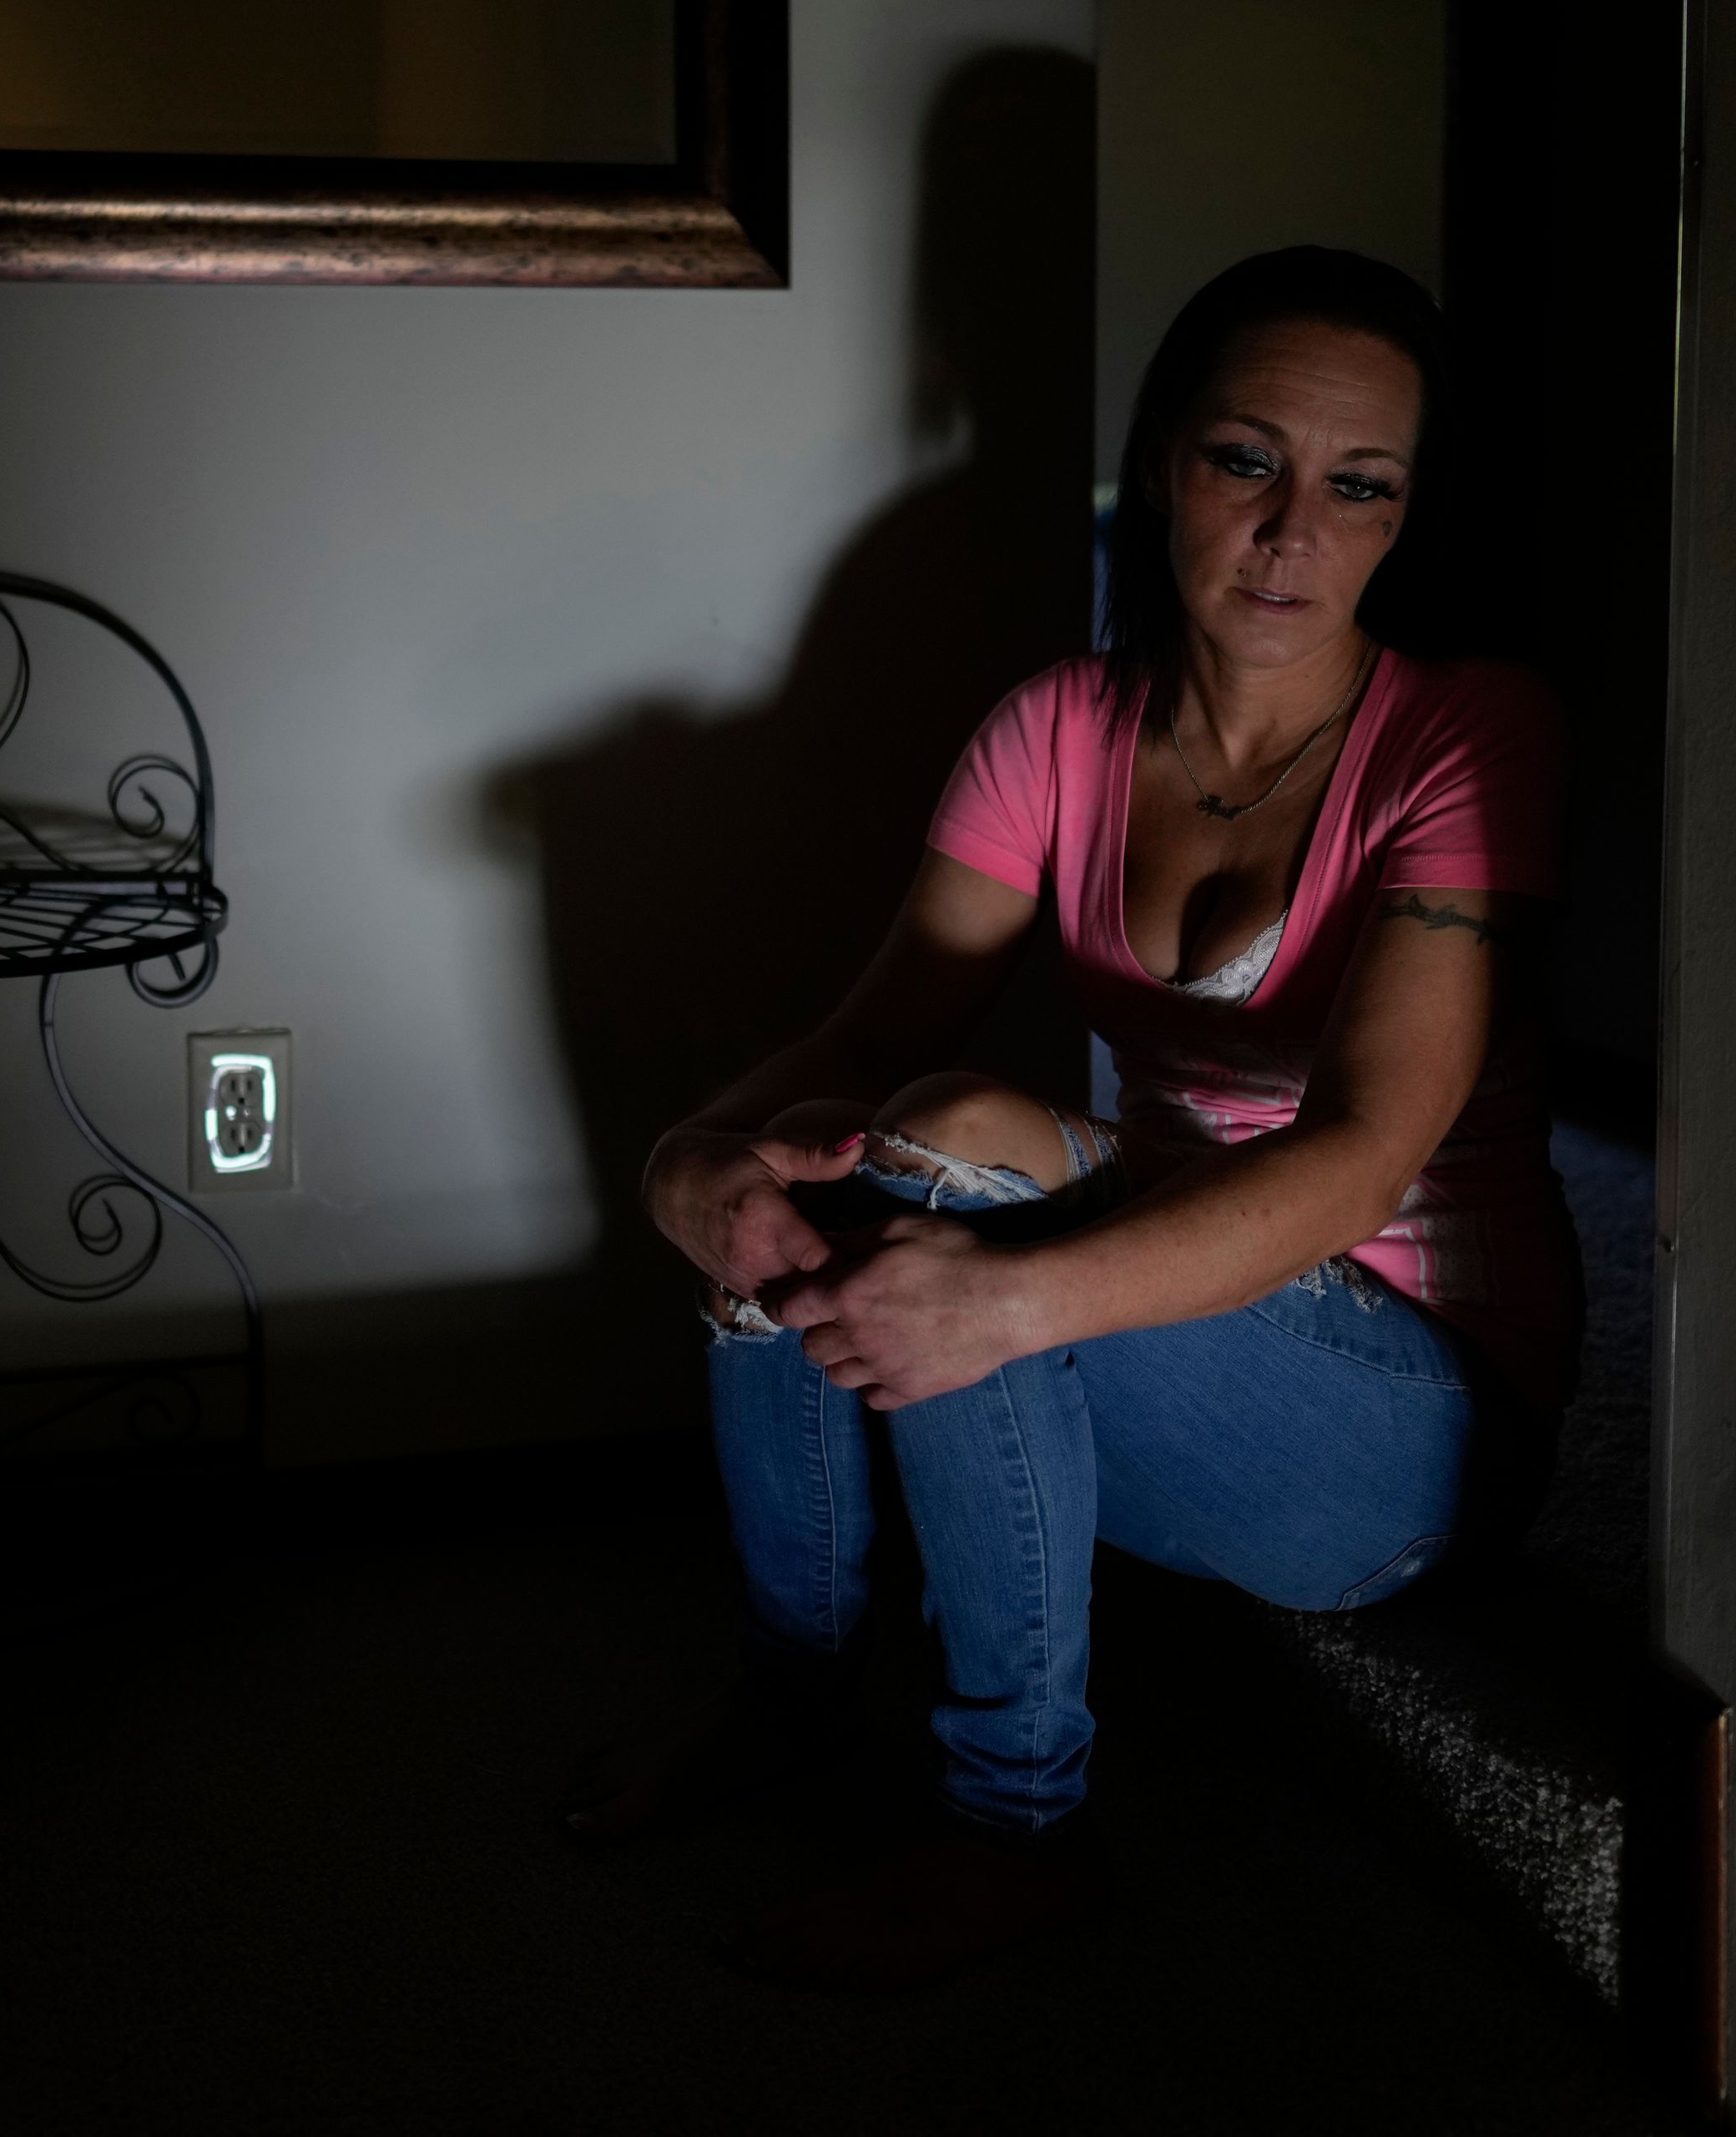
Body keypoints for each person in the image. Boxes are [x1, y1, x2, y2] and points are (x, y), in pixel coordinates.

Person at [566, 248, 1582, 1988]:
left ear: (1411, 518)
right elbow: (864, 1032)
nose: (1292, 532)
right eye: (1244, 461)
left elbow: (1359, 1159)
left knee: (960, 1139)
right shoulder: (1060, 725)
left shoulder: (1466, 734)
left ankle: (1009, 1825)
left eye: (1361, 487)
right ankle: (794, 1689)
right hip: (1184, 1313)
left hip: (1411, 1396)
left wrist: (1017, 1295)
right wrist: (691, 1163)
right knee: (810, 1159)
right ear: (1165, 458)